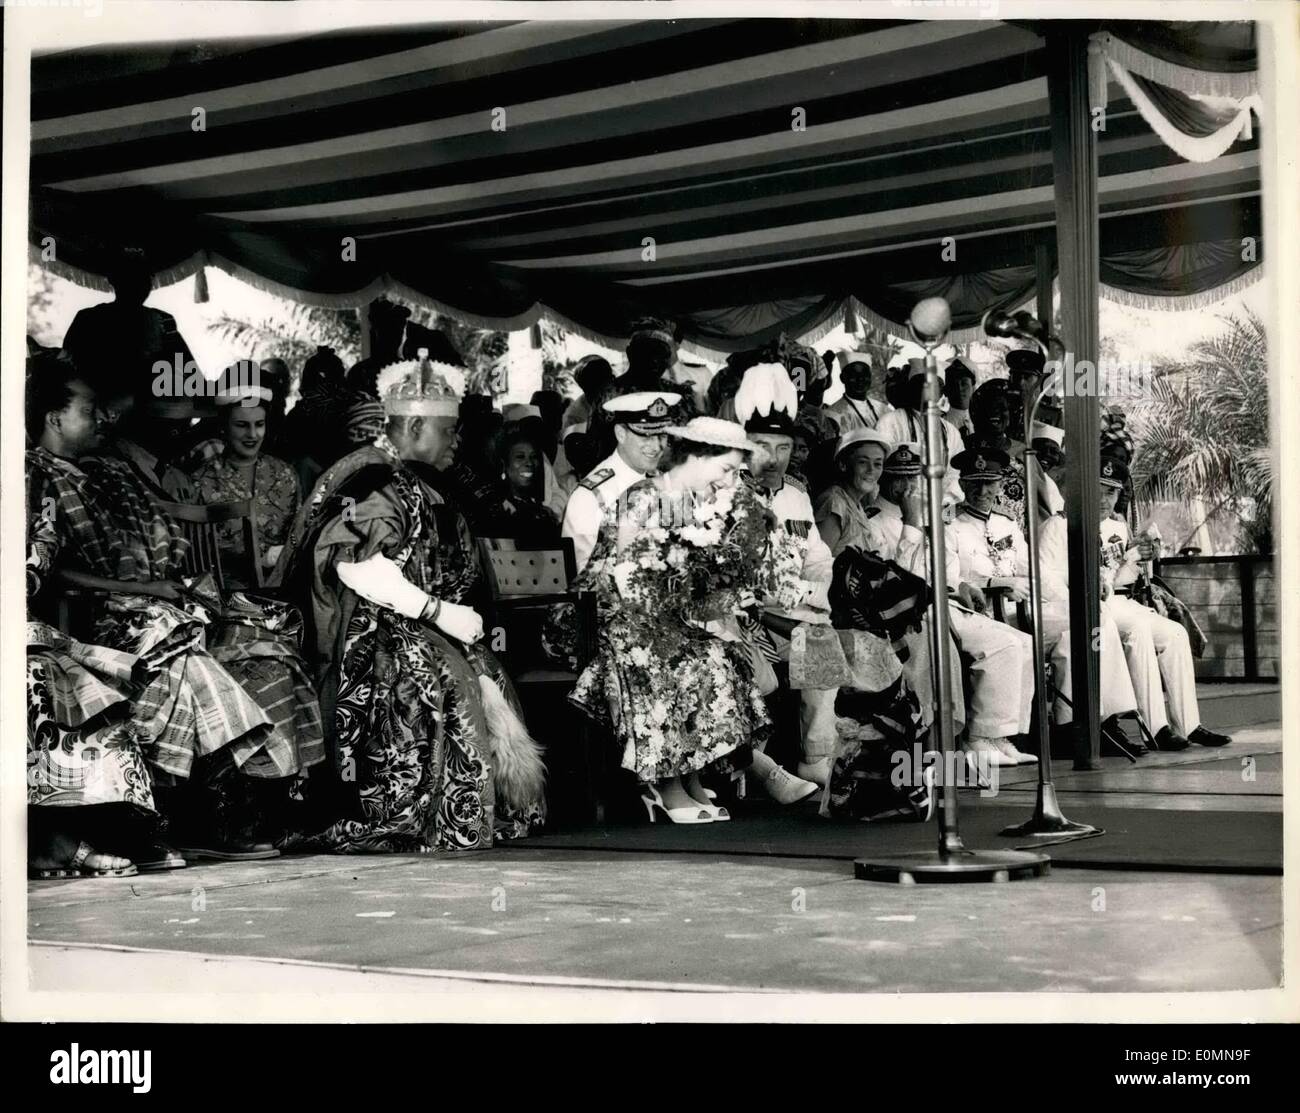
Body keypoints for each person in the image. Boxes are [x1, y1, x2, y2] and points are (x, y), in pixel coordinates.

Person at [276, 354, 547, 852]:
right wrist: (437, 612)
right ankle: (413, 811)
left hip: (421, 617)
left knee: (479, 664)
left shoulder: (420, 477)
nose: (456, 440)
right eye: (447, 431)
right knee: (433, 672)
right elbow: (354, 564)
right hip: (374, 630)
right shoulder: (374, 479)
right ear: (416, 425)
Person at [26, 360, 289, 860]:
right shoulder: (33, 475)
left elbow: (162, 539)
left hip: (146, 610)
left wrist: (159, 587)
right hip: (89, 618)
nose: (102, 418)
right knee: (180, 656)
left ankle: (166, 820)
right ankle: (203, 816)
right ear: (54, 419)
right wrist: (142, 587)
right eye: (88, 410)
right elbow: (50, 571)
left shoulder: (110, 471)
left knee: (184, 656)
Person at [569, 416, 775, 823]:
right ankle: (664, 782)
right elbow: (619, 576)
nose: (729, 481)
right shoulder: (645, 496)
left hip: (665, 615)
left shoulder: (693, 502)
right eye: (726, 470)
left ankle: (691, 775)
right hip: (610, 614)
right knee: (673, 656)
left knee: (717, 654)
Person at [871, 443, 1036, 767]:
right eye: (898, 479)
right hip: (912, 613)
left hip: (946, 602)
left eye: (913, 478)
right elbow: (897, 580)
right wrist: (912, 524)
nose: (907, 487)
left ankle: (1001, 736)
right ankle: (977, 737)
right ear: (885, 481)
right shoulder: (877, 523)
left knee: (1024, 643)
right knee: (1001, 645)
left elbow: (944, 568)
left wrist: (960, 585)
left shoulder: (927, 519)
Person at [730, 361, 839, 800]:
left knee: (821, 647)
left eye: (784, 447)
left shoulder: (795, 494)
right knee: (761, 680)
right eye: (762, 446)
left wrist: (812, 599)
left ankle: (815, 763)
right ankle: (754, 768)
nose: (774, 459)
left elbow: (817, 558)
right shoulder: (724, 492)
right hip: (741, 615)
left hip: (791, 609)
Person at [1099, 458, 1231, 750]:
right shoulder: (1071, 523)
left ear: (1120, 495)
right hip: (1098, 604)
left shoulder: (1117, 527)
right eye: (1099, 490)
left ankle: (1188, 724)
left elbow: (1124, 578)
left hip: (1121, 600)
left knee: (1175, 633)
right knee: (1138, 632)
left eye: (1111, 492)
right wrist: (1125, 558)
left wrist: (1139, 558)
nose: (1104, 499)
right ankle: (1156, 729)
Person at [561, 390, 682, 574]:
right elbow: (584, 576)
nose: (657, 446)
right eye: (646, 436)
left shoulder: (662, 479)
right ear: (621, 434)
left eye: (662, 436)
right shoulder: (592, 495)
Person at [193, 382, 301, 582]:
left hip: (282, 587)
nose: (252, 434)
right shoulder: (202, 481)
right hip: (225, 595)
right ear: (224, 427)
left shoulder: (285, 474)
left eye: (259, 424)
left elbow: (299, 533)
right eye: (242, 425)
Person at [61, 246, 197, 401]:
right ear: (114, 280)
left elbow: (185, 368)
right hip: (101, 406)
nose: (140, 285)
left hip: (153, 408)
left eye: (145, 278)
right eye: (130, 277)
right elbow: (69, 369)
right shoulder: (88, 319)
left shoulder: (163, 320)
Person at [875, 358, 966, 504]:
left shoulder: (951, 431)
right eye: (921, 383)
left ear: (941, 391)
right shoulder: (890, 421)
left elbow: (954, 476)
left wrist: (947, 515)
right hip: (897, 507)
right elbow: (880, 468)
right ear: (911, 387)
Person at [814, 428, 893, 558]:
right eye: (863, 462)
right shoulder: (834, 502)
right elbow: (817, 563)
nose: (871, 470)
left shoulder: (856, 505)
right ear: (843, 465)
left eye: (878, 464)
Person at [967, 379, 1027, 525]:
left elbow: (1042, 501)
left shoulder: (1024, 452)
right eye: (988, 407)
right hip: (968, 533)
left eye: (1002, 407)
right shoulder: (964, 447)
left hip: (1015, 538)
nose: (995, 412)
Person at [824, 351, 889, 432]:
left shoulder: (884, 410)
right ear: (842, 378)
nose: (860, 379)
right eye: (853, 375)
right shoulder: (834, 413)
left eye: (865, 374)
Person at [942, 357, 977, 437]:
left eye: (964, 383)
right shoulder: (940, 425)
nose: (959, 389)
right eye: (953, 385)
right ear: (945, 391)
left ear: (973, 388)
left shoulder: (982, 423)